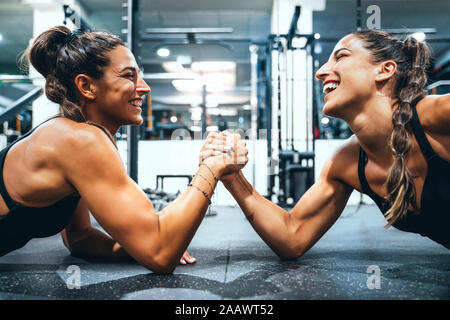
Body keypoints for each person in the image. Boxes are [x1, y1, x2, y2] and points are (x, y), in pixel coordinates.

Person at [0, 26, 248, 274]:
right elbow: (161, 254)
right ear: (87, 86)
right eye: (129, 76)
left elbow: (81, 238)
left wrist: (134, 247)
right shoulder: (79, 140)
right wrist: (211, 167)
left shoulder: (72, 135)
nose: (145, 87)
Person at [201, 29, 450, 258]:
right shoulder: (347, 162)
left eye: (340, 56)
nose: (320, 72)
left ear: (384, 70)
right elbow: (292, 235)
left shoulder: (439, 116)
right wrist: (233, 177)